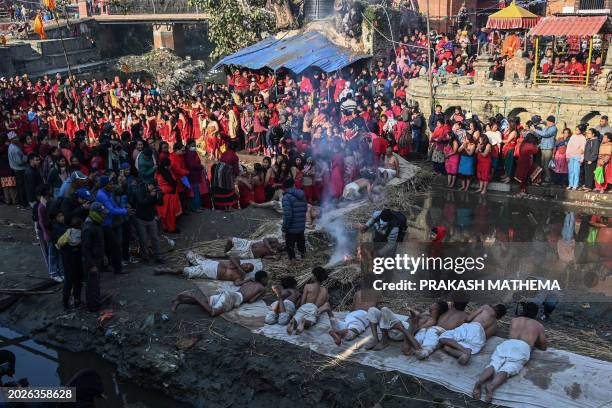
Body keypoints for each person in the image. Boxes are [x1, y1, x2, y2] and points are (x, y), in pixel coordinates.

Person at [472, 302, 546, 403]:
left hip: (507, 344)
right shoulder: (538, 326)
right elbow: (543, 346)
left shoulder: (514, 320)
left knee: (493, 364)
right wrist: (534, 341)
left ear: (523, 310)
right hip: (522, 347)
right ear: (535, 314)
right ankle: (491, 387)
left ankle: (479, 382)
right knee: (508, 368)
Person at [170, 270, 269, 316]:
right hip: (234, 298)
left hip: (229, 293)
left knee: (204, 302)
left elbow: (237, 283)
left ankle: (179, 301)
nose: (267, 281)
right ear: (263, 279)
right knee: (212, 312)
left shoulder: (250, 282)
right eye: (266, 279)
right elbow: (251, 301)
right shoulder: (262, 288)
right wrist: (261, 294)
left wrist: (249, 279)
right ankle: (192, 295)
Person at [439, 304, 507, 365]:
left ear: (495, 306)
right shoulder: (495, 325)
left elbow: (468, 319)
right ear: (500, 316)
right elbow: (485, 336)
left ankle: (464, 350)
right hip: (478, 338)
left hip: (471, 328)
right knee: (447, 348)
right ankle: (464, 354)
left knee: (442, 338)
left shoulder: (485, 307)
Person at [155, 251, 259, 283]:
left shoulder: (240, 276)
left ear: (247, 271)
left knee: (182, 271)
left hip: (207, 272)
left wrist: (247, 279)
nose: (246, 266)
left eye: (248, 268)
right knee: (187, 253)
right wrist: (239, 267)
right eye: (247, 264)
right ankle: (191, 263)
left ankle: (163, 270)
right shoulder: (237, 262)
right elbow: (231, 257)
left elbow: (237, 284)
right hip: (207, 262)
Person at [326, 281, 378, 345]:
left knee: (341, 324)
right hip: (363, 315)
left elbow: (352, 309)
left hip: (351, 315)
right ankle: (339, 333)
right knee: (353, 331)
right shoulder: (375, 294)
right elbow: (373, 310)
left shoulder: (357, 293)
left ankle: (330, 314)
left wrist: (349, 316)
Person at [95, 176, 128, 275]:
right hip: (104, 224)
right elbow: (111, 210)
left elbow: (114, 206)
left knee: (109, 246)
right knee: (115, 246)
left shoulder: (107, 193)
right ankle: (117, 269)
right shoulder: (102, 195)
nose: (112, 185)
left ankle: (107, 266)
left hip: (109, 223)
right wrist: (125, 211)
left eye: (112, 183)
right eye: (110, 184)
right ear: (105, 185)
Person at [287, 266, 329, 335]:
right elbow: (324, 303)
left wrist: (299, 309)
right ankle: (305, 322)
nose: (311, 276)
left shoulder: (308, 286)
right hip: (315, 309)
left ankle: (294, 321)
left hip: (305, 306)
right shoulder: (325, 290)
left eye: (312, 275)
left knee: (298, 316)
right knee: (310, 322)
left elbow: (303, 301)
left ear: (315, 277)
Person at [81, 202, 107, 312]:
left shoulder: (97, 223)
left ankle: (95, 304)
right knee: (92, 285)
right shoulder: (89, 227)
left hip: (97, 258)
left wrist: (103, 255)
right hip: (91, 261)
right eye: (102, 213)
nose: (104, 215)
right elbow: (85, 249)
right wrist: (91, 265)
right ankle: (93, 307)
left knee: (96, 284)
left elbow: (99, 242)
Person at [130, 180, 164, 263]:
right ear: (149, 185)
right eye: (153, 187)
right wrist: (151, 196)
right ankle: (145, 257)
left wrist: (159, 196)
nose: (154, 189)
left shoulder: (154, 191)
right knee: (143, 239)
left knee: (155, 237)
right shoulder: (140, 191)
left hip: (151, 217)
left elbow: (160, 204)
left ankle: (158, 257)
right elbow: (142, 203)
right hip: (140, 218)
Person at [281, 178, 307, 262]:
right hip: (301, 226)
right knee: (301, 244)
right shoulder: (302, 195)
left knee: (290, 246)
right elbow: (305, 209)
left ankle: (293, 262)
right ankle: (304, 258)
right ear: (293, 184)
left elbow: (288, 215)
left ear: (284, 187)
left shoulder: (286, 197)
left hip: (291, 228)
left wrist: (284, 229)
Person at [532, 115, 557, 185]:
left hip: (548, 148)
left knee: (546, 164)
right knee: (543, 164)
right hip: (543, 147)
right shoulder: (547, 127)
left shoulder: (554, 128)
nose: (547, 122)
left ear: (552, 122)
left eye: (548, 121)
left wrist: (535, 130)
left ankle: (548, 179)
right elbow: (541, 136)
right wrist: (534, 131)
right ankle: (544, 178)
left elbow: (545, 134)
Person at [7, 132, 28, 207]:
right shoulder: (15, 149)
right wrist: (26, 157)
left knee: (20, 187)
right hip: (19, 170)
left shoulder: (11, 146)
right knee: (22, 187)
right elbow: (20, 162)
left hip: (16, 169)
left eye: (17, 137)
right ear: (12, 140)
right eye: (15, 138)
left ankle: (22, 203)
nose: (17, 139)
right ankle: (23, 203)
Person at [566, 124, 586, 190]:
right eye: (576, 129)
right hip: (571, 156)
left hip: (578, 157)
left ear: (581, 130)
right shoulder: (572, 137)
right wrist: (567, 156)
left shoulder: (583, 138)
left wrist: (581, 159)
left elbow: (583, 150)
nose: (576, 131)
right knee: (570, 171)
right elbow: (568, 147)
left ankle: (575, 185)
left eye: (577, 130)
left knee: (576, 171)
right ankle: (570, 184)